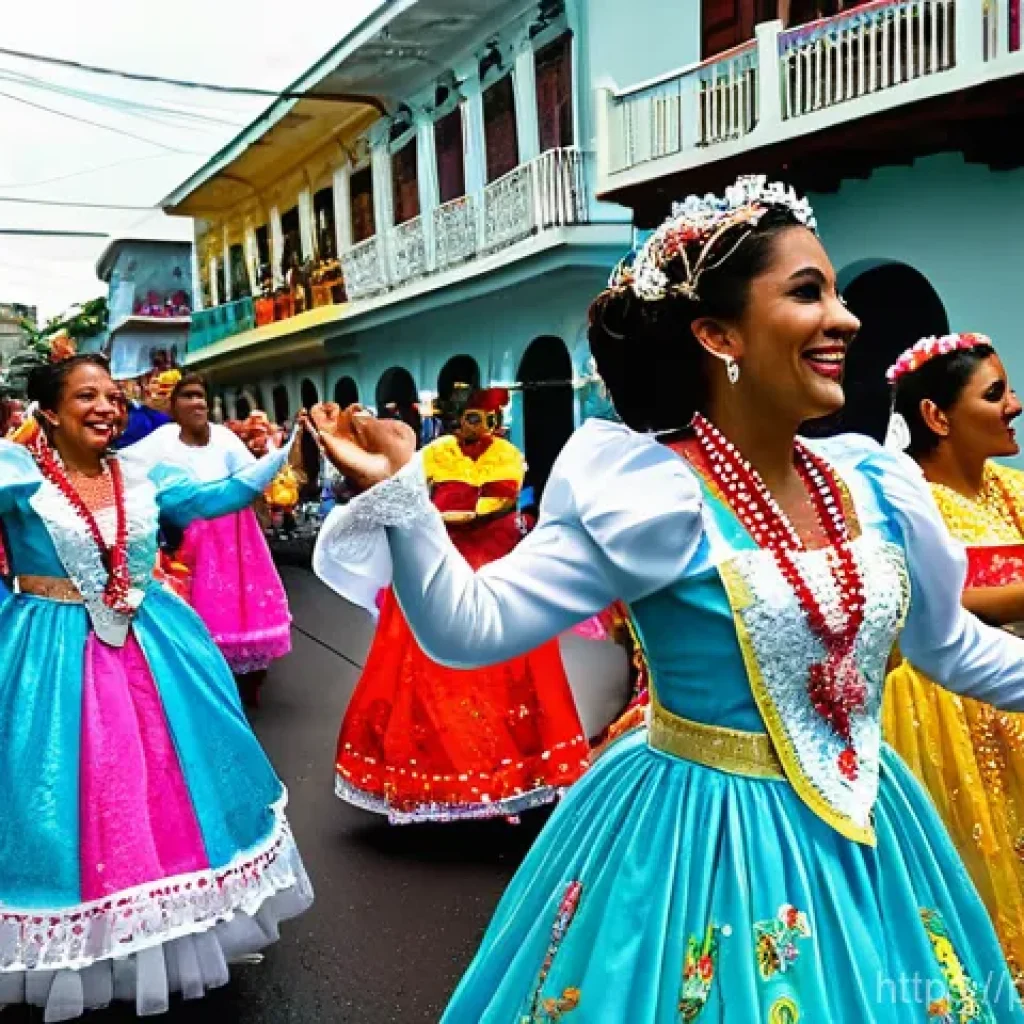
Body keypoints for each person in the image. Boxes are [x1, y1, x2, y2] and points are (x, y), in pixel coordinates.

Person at [309, 176, 1024, 1021]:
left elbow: (951, 647)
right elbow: (471, 626)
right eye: (808, 292)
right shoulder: (647, 492)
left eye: (836, 292)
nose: (846, 316)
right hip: (701, 842)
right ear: (718, 334)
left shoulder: (874, 484)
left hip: (873, 832)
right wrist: (403, 497)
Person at [0, 354, 311, 1020]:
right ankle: (72, 941)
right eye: (87, 396)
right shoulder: (16, 471)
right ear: (49, 412)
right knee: (68, 796)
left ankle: (159, 936)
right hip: (47, 655)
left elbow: (220, 496)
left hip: (152, 647)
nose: (107, 408)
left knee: (169, 790)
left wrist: (290, 444)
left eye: (113, 396)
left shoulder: (141, 474)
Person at [318, 388, 588, 824]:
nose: (471, 425)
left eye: (480, 417)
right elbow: (404, 491)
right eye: (465, 417)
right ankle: (439, 776)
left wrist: (420, 518)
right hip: (436, 556)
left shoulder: (505, 455)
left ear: (495, 420)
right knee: (422, 663)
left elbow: (493, 507)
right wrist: (407, 509)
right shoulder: (435, 453)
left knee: (504, 659)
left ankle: (506, 776)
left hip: (490, 559)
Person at [883, 332, 1024, 989]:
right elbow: (938, 611)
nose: (1015, 406)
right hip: (946, 712)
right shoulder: (909, 502)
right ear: (936, 417)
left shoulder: (1010, 490)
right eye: (995, 393)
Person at [122, 375, 293, 708]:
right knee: (199, 605)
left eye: (200, 396)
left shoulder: (226, 438)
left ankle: (248, 682)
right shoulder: (161, 440)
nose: (196, 403)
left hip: (237, 536)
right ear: (173, 407)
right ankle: (206, 679)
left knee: (244, 602)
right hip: (188, 539)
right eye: (187, 396)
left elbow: (251, 478)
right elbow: (126, 466)